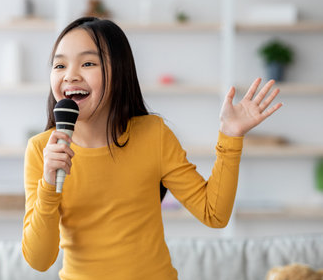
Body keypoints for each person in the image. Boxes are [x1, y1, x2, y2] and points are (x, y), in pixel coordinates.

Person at [22, 17, 282, 280]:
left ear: (119, 72)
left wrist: (230, 136)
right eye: (59, 65)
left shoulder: (152, 135)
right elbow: (39, 260)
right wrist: (48, 185)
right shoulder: (40, 149)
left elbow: (214, 214)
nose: (70, 75)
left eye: (88, 63)